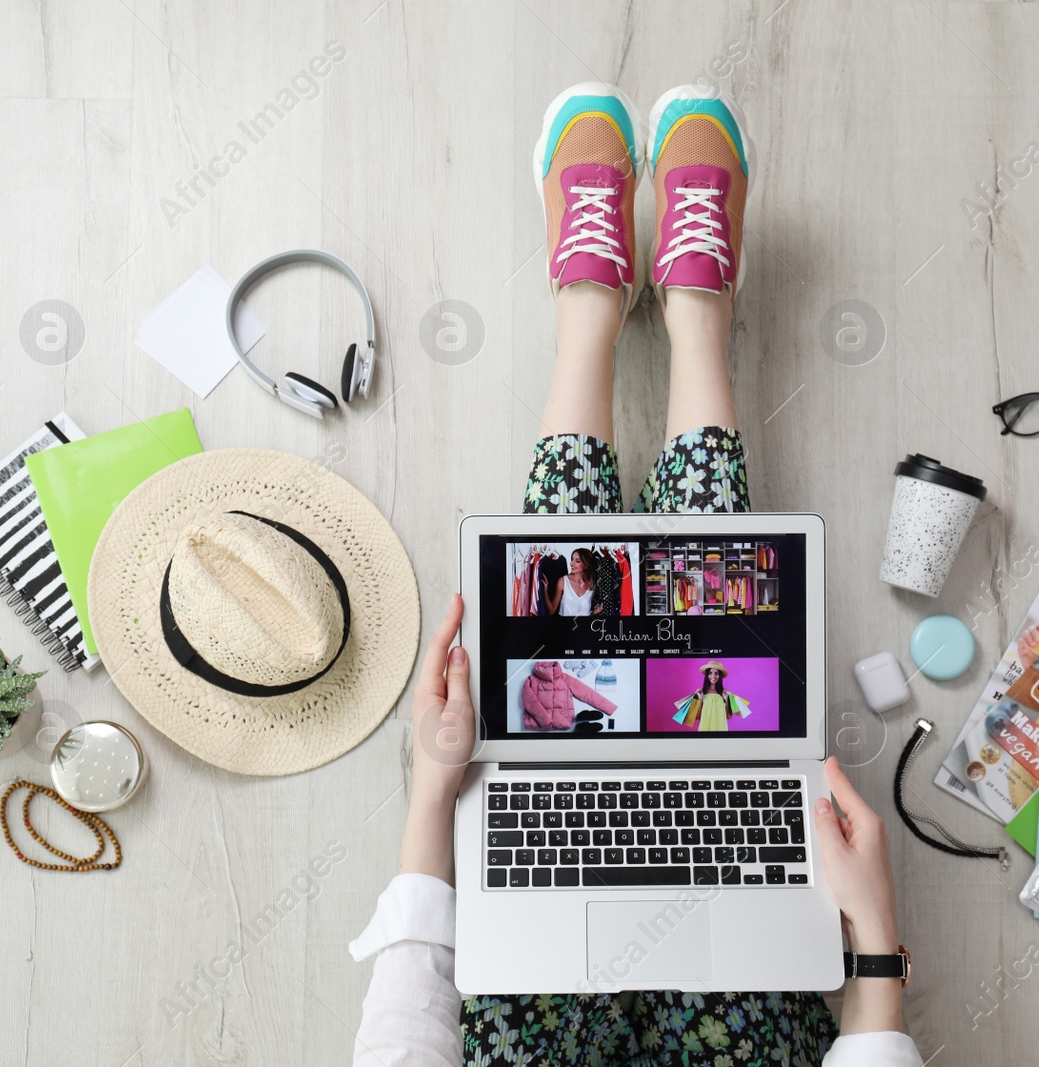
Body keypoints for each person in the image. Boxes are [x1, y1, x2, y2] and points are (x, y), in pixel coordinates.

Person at [350, 83, 924, 1065]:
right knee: (706, 600)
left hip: (534, 1016)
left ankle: (592, 313)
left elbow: (407, 1022)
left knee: (570, 599)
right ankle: (697, 313)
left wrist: (436, 786)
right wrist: (875, 940)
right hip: (737, 1026)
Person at [553, 547, 598, 616]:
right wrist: (544, 590)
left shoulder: (591, 585)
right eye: (572, 560)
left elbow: (584, 613)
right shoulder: (563, 582)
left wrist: (595, 612)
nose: (571, 563)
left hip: (585, 626)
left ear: (586, 565)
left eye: (577, 561)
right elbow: (551, 610)